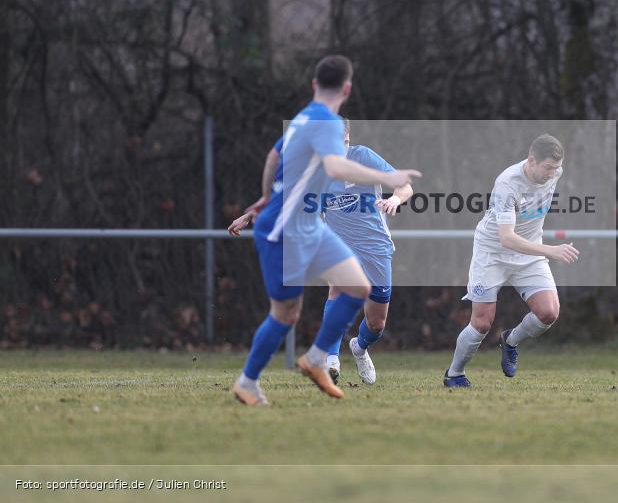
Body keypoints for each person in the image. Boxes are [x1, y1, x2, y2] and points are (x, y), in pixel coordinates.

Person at [227, 55, 421, 403]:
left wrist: (263, 198)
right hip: (286, 228)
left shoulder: (302, 119)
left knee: (358, 288)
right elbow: (334, 168)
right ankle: (249, 381)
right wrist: (387, 177)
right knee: (286, 314)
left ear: (314, 85)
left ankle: (317, 358)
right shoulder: (328, 123)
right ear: (347, 89)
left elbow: (273, 159)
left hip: (309, 228)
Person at [443, 134, 578, 387]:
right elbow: (506, 238)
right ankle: (454, 374)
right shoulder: (507, 183)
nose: (553, 173)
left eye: (557, 168)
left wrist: (541, 249)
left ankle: (511, 341)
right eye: (548, 167)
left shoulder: (555, 172)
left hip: (528, 252)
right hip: (492, 252)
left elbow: (549, 179)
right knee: (482, 323)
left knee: (549, 312)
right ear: (531, 160)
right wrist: (550, 250)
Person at [318, 118, 412, 385]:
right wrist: (250, 216)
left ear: (347, 138)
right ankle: (331, 360)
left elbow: (405, 186)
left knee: (377, 324)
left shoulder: (363, 157)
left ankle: (359, 348)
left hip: (375, 247)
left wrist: (395, 199)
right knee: (337, 290)